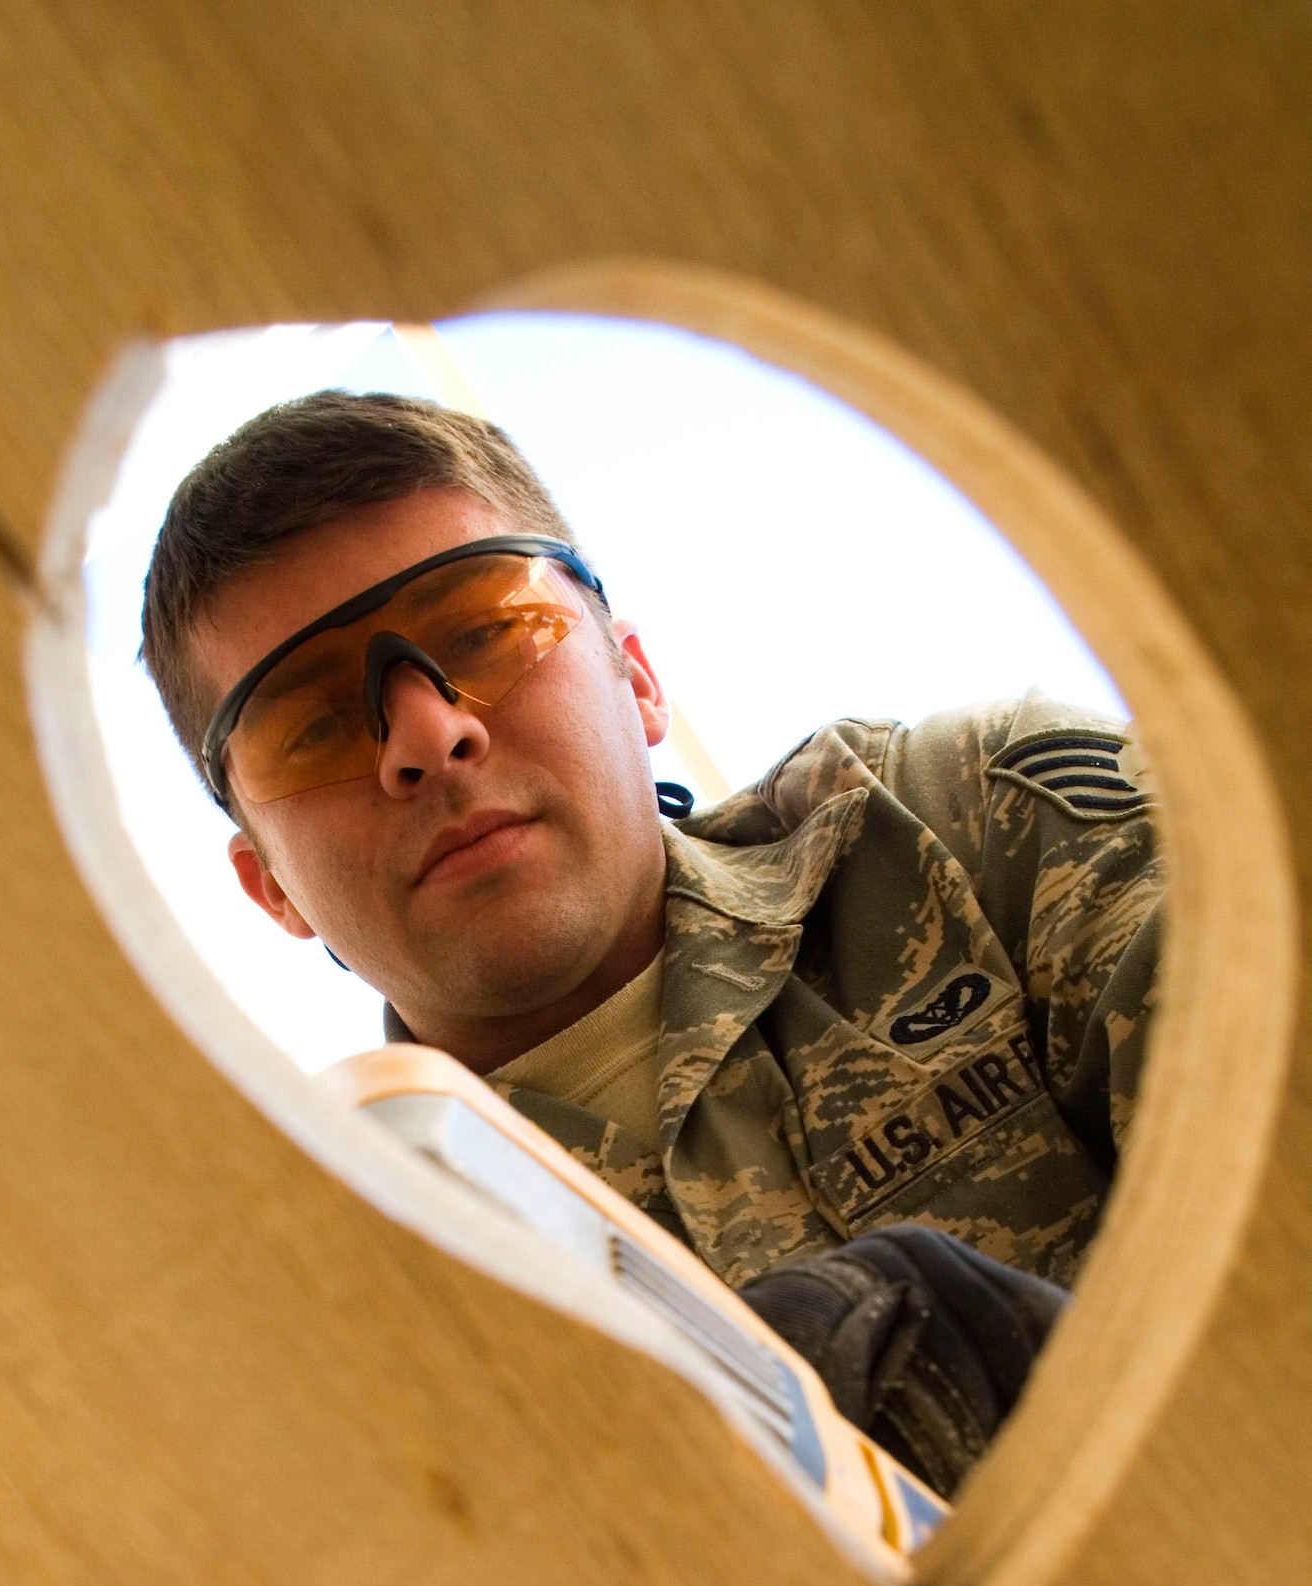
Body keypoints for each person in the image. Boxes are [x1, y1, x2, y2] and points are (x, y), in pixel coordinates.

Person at [140, 390, 1161, 1496]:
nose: (430, 735)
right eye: (319, 724)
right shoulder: (336, 1302)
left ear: (636, 678)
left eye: (486, 628)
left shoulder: (970, 828)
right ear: (268, 884)